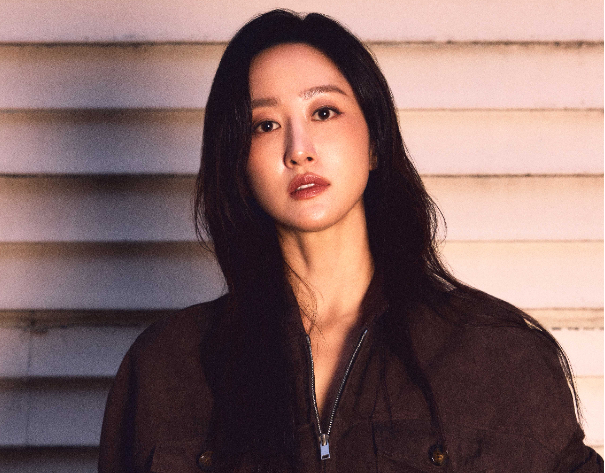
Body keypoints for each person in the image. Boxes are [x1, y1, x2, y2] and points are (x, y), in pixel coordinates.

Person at [99, 10, 602, 472]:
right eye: (266, 125)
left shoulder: (498, 355)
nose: (298, 150)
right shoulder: (166, 368)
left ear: (375, 142)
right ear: (237, 164)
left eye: (324, 112)